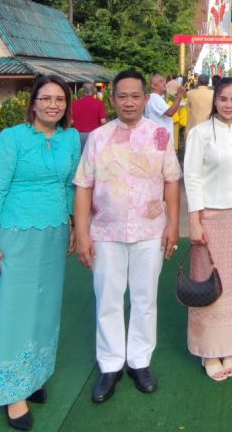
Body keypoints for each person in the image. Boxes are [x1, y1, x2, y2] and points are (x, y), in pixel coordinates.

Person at [0, 75, 81, 431]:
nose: (53, 105)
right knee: (12, 308)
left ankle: (32, 376)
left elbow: (70, 187)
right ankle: (10, 391)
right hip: (15, 232)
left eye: (59, 99)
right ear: (33, 103)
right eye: (46, 98)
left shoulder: (69, 139)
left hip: (54, 232)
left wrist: (74, 225)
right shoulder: (12, 138)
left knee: (43, 306)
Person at [74, 70, 182, 403]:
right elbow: (83, 186)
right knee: (108, 297)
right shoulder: (98, 137)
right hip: (106, 231)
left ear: (146, 99)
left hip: (150, 230)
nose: (129, 102)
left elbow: (171, 181)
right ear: (113, 99)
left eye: (136, 96)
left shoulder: (160, 135)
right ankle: (110, 364)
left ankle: (139, 360)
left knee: (145, 297)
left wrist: (173, 224)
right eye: (122, 96)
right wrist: (81, 233)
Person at [183, 77, 232, 381]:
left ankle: (231, 345)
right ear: (215, 100)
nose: (228, 105)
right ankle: (209, 350)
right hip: (210, 216)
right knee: (209, 281)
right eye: (223, 99)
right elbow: (191, 176)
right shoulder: (200, 133)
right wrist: (194, 219)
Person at [144, 73, 183, 145]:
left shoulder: (152, 97)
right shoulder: (155, 98)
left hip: (156, 138)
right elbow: (170, 112)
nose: (164, 83)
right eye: (160, 81)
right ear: (153, 85)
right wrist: (179, 95)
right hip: (160, 141)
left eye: (164, 81)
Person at [71, 82, 107, 149]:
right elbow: (103, 121)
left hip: (78, 136)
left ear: (83, 91)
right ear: (94, 90)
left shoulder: (75, 103)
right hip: (94, 135)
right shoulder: (99, 103)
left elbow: (71, 121)